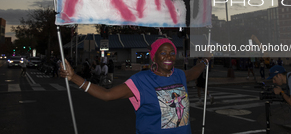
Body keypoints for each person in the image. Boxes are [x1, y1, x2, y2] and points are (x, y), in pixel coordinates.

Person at [59, 38, 210, 134]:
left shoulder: (179, 75)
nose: (168, 56)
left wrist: (205, 61)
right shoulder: (141, 80)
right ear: (154, 57)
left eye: (172, 53)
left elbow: (194, 72)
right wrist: (74, 78)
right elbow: (107, 95)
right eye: (163, 53)